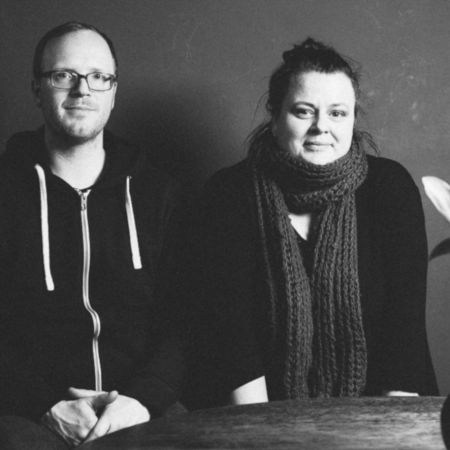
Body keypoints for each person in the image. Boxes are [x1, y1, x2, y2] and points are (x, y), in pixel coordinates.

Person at [186, 37, 437, 409]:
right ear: (275, 117)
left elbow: (404, 330)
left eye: (338, 113)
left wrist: (384, 431)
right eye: (304, 111)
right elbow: (232, 337)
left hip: (384, 413)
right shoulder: (229, 193)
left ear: (352, 119)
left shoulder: (389, 188)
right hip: (253, 415)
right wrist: (264, 432)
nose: (322, 127)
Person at [0, 22, 184, 447]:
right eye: (64, 75)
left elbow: (186, 317)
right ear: (37, 88)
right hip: (27, 414)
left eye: (99, 77)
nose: (82, 89)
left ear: (113, 92)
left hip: (142, 408)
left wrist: (143, 399)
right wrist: (44, 404)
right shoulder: (6, 191)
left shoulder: (159, 194)